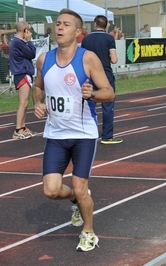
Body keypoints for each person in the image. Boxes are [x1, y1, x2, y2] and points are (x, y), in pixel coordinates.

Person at [32, 9, 115, 252]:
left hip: (83, 135)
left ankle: (88, 231)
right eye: (58, 24)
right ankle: (74, 201)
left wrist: (94, 94)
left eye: (66, 25)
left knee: (81, 187)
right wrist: (38, 102)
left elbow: (109, 92)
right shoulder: (43, 59)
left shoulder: (87, 58)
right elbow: (38, 86)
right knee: (51, 190)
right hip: (55, 135)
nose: (59, 28)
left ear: (78, 32)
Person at [82, 15, 123, 144]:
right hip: (105, 74)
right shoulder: (109, 38)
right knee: (108, 104)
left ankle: (88, 133)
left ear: (95, 24)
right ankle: (107, 136)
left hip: (88, 74)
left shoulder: (86, 39)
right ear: (106, 26)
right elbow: (114, 59)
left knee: (89, 104)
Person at [9, 22, 37, 140]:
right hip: (22, 73)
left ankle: (23, 127)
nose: (30, 33)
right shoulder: (17, 42)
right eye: (28, 30)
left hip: (23, 73)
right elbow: (32, 53)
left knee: (25, 103)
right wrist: (29, 41)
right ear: (24, 31)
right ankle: (18, 130)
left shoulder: (18, 42)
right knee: (23, 102)